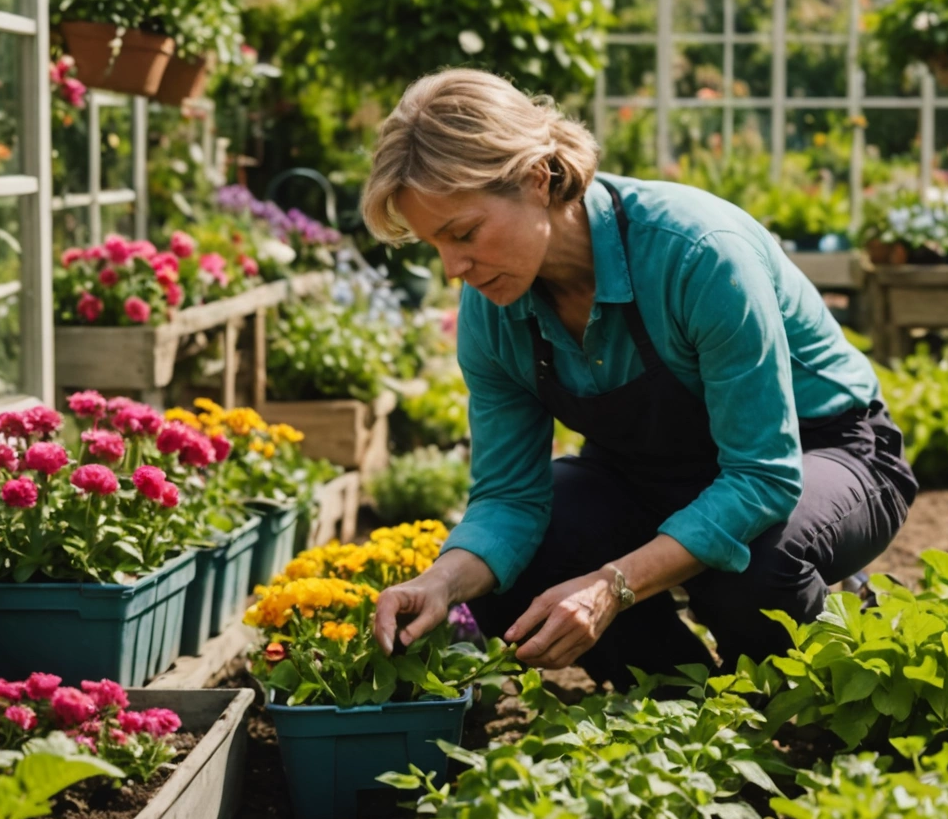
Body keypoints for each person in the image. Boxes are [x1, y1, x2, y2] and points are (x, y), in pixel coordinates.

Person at [360, 70, 916, 686]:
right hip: (650, 472)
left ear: (537, 179)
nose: (453, 268)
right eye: (435, 244)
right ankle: (680, 723)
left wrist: (612, 585)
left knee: (752, 568)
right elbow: (508, 499)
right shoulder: (492, 308)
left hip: (823, 453)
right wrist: (440, 582)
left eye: (464, 233)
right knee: (508, 571)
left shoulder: (697, 252)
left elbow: (761, 477)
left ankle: (825, 663)